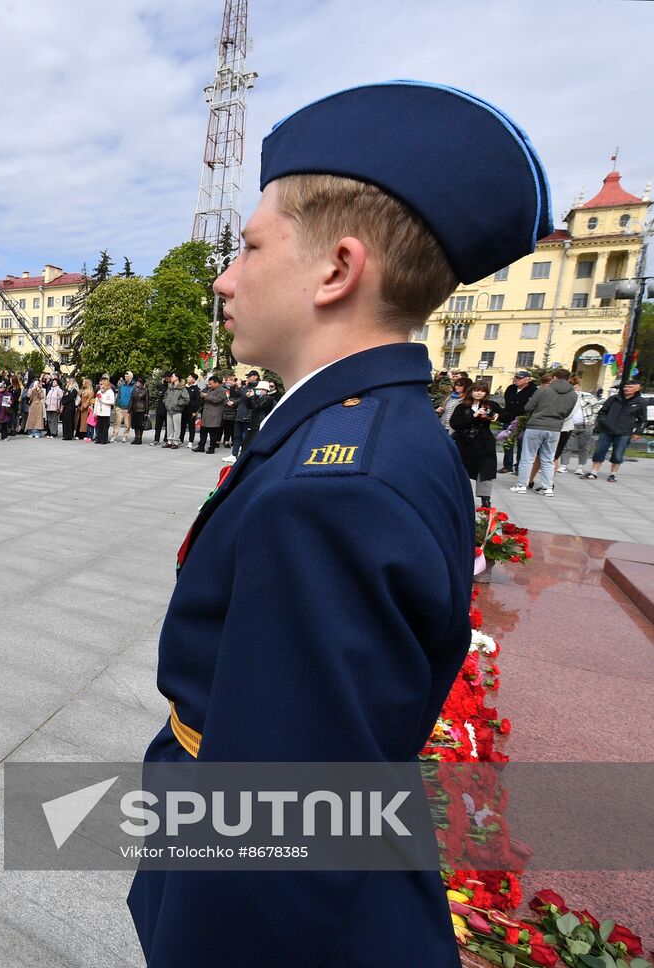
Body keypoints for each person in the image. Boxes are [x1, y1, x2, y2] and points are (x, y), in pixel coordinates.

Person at [127, 81, 551, 968]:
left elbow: (277, 830)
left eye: (249, 247)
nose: (225, 277)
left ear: (337, 270)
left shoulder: (333, 488)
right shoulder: (374, 432)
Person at [512, 367, 574, 497]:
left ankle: (522, 485)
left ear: (554, 377)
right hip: (555, 428)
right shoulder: (573, 394)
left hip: (536, 425)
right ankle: (547, 488)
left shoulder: (543, 390)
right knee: (548, 459)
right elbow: (567, 413)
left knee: (528, 457)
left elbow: (528, 407)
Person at [449, 382, 501, 508]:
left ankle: (485, 498)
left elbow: (506, 415)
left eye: (482, 391)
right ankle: (460, 496)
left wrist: (496, 415)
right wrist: (474, 416)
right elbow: (455, 424)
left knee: (485, 470)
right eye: (476, 390)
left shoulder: (490, 405)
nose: (479, 393)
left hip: (484, 442)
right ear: (471, 391)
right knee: (461, 470)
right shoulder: (462, 407)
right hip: (465, 442)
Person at [589, 379, 644, 482]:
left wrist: (638, 432)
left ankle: (613, 474)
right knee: (599, 451)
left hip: (624, 432)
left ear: (637, 388)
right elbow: (602, 412)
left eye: (630, 387)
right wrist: (603, 422)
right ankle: (593, 473)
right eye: (625, 387)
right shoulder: (614, 398)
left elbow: (642, 419)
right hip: (607, 430)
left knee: (618, 454)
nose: (626, 389)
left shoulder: (640, 402)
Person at [558, 381, 598, 477]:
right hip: (570, 424)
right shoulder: (566, 397)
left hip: (585, 424)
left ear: (579, 386)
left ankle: (580, 466)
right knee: (566, 445)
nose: (574, 389)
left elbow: (596, 408)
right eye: (572, 387)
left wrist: (591, 421)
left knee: (584, 447)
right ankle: (564, 465)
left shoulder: (587, 396)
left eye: (575, 387)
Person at [498, 370, 535, 473]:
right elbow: (508, 403)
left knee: (521, 444)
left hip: (523, 419)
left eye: (520, 378)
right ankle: (507, 466)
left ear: (527, 380)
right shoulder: (511, 388)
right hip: (509, 418)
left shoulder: (533, 390)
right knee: (508, 442)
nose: (516, 380)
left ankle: (519, 467)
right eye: (516, 377)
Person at [193, 375, 227, 453]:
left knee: (213, 434)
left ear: (216, 383)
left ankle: (212, 448)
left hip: (214, 416)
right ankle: (201, 447)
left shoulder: (222, 390)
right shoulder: (209, 390)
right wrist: (202, 396)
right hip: (206, 415)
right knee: (203, 433)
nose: (210, 385)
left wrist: (206, 396)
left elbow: (217, 400)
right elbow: (205, 399)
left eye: (211, 384)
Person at [160, 374, 184, 449]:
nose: (171, 378)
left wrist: (177, 403)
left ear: (177, 378)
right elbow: (165, 396)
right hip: (169, 410)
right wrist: (166, 402)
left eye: (173, 376)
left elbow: (186, 399)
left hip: (177, 410)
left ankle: (176, 442)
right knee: (169, 426)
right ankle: (169, 441)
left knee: (177, 427)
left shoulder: (182, 388)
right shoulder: (170, 388)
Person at [113, 371, 134, 442]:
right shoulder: (122, 385)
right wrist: (116, 404)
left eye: (127, 376)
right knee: (117, 422)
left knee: (127, 423)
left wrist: (131, 407)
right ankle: (114, 435)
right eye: (125, 376)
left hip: (127, 407)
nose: (125, 377)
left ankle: (125, 435)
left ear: (130, 377)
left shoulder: (133, 386)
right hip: (119, 406)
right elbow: (119, 394)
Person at [93, 377, 114, 445]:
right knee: (99, 426)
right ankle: (99, 438)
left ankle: (104, 439)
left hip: (105, 412)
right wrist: (95, 411)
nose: (100, 385)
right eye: (100, 384)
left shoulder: (110, 392)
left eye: (101, 384)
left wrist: (103, 400)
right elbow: (96, 402)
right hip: (99, 411)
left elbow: (112, 402)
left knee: (105, 426)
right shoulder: (99, 391)